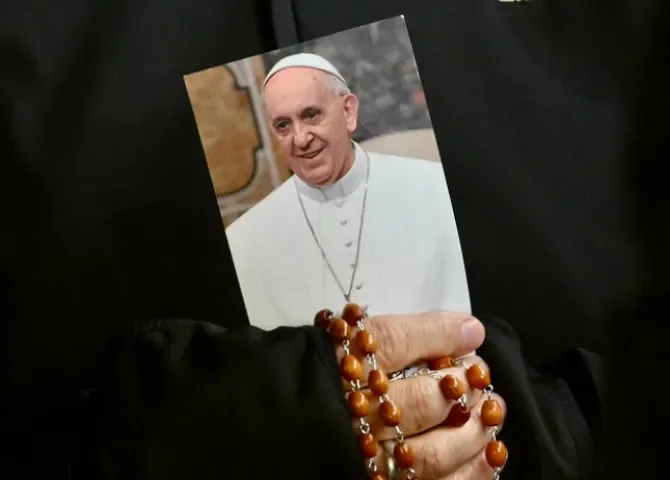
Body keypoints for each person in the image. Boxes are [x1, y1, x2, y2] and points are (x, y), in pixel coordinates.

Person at [225, 53, 471, 329]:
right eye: (283, 125)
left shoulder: (435, 187)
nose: (301, 138)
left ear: (348, 112)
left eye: (311, 115)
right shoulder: (241, 243)